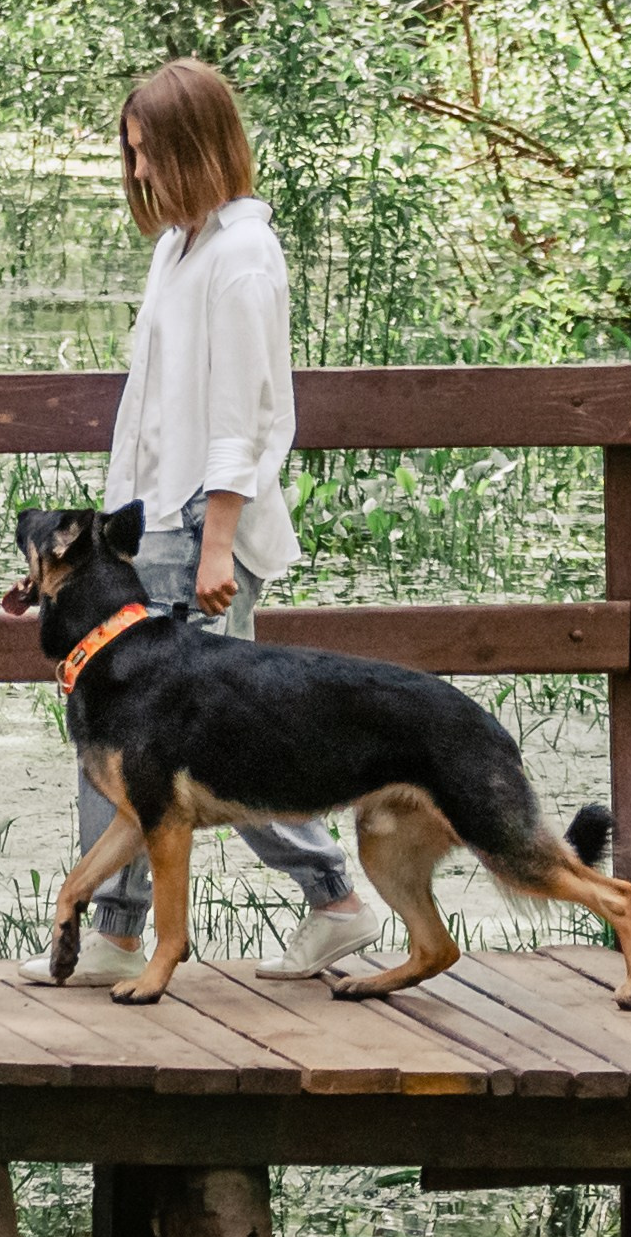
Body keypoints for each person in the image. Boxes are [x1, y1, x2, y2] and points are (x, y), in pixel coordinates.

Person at [19, 57, 379, 986]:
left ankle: (326, 900)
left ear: (195, 147)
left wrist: (218, 542)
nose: (137, 171)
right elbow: (151, 404)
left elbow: (242, 418)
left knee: (198, 744)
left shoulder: (243, 257)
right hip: (149, 528)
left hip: (198, 528)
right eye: (132, 153)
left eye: (148, 152)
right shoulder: (180, 247)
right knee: (141, 738)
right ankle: (128, 928)